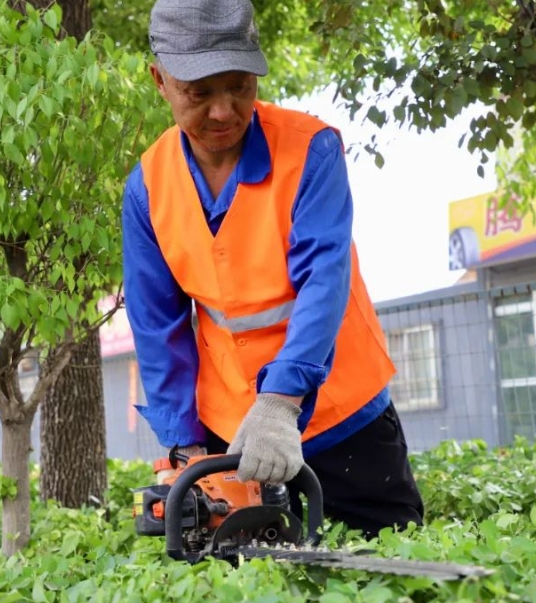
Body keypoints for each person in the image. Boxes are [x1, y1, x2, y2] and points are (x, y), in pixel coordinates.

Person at [121, 0, 425, 538]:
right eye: (200, 91)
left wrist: (281, 402)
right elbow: (158, 329)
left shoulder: (312, 150)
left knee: (388, 579)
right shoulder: (147, 188)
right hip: (230, 436)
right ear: (160, 81)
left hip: (341, 416)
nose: (223, 111)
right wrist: (187, 451)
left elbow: (322, 281)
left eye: (239, 86)